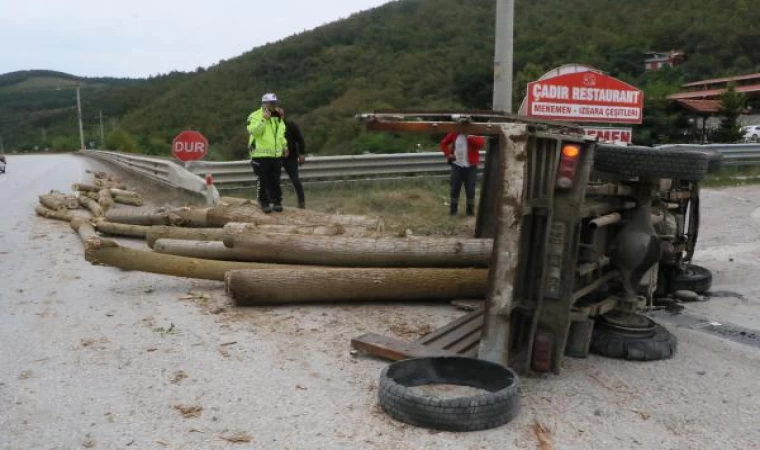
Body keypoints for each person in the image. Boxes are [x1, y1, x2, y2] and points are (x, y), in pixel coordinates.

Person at [247, 93, 288, 213]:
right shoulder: (254, 115)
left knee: (275, 180)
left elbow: (281, 133)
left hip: (275, 154)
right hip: (260, 154)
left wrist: (284, 146)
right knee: (263, 180)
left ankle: (277, 202)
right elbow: (254, 132)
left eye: (275, 103)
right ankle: (263, 202)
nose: (273, 106)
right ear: (264, 104)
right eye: (271, 103)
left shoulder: (278, 117)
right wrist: (263, 120)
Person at [440, 133, 485, 216]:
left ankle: (470, 212)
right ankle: (453, 212)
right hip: (457, 165)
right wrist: (448, 154)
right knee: (454, 189)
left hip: (471, 166)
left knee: (470, 190)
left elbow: (481, 144)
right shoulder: (454, 133)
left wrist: (469, 136)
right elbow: (443, 143)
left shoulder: (474, 133)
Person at [278, 109, 307, 209]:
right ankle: (275, 202)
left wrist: (301, 153)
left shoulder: (290, 125)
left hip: (291, 156)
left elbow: (300, 139)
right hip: (275, 156)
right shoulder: (271, 126)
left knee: (295, 179)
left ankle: (301, 202)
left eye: (280, 114)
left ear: (283, 114)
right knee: (273, 180)